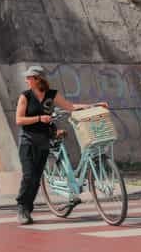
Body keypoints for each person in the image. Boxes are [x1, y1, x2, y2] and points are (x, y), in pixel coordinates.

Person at [15, 65, 102, 225]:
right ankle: (22, 207)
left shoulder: (51, 95)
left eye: (29, 77)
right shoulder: (25, 96)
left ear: (37, 79)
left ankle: (28, 209)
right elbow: (19, 120)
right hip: (28, 141)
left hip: (43, 141)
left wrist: (94, 106)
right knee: (29, 176)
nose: (26, 80)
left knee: (36, 179)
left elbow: (70, 107)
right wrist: (40, 118)